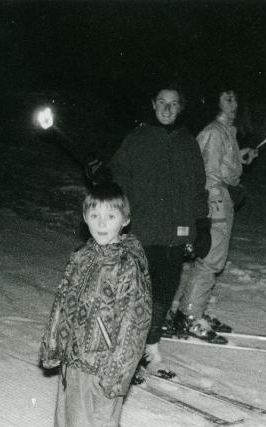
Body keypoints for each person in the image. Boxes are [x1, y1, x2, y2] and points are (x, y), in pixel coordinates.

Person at [39, 183, 151, 427]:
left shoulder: (127, 265)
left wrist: (117, 372)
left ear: (125, 220)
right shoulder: (83, 256)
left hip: (103, 365)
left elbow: (136, 322)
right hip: (75, 360)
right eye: (94, 214)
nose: (102, 222)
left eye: (111, 215)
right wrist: (53, 343)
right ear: (85, 217)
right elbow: (63, 303)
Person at [109, 84, 208, 373]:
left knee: (164, 293)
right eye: (162, 102)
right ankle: (125, 349)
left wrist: (202, 225)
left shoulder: (188, 143)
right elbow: (117, 178)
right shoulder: (137, 138)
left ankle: (150, 347)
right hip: (142, 230)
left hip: (175, 235)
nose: (167, 108)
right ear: (153, 105)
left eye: (173, 104)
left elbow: (198, 189)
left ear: (180, 108)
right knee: (138, 294)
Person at [171, 88, 258, 343]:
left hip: (223, 199)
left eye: (236, 98)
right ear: (215, 103)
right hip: (215, 201)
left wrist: (241, 159)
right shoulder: (213, 132)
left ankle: (194, 309)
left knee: (214, 259)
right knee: (210, 259)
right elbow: (206, 173)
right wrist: (211, 204)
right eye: (227, 98)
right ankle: (188, 315)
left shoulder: (226, 132)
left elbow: (226, 167)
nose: (234, 103)